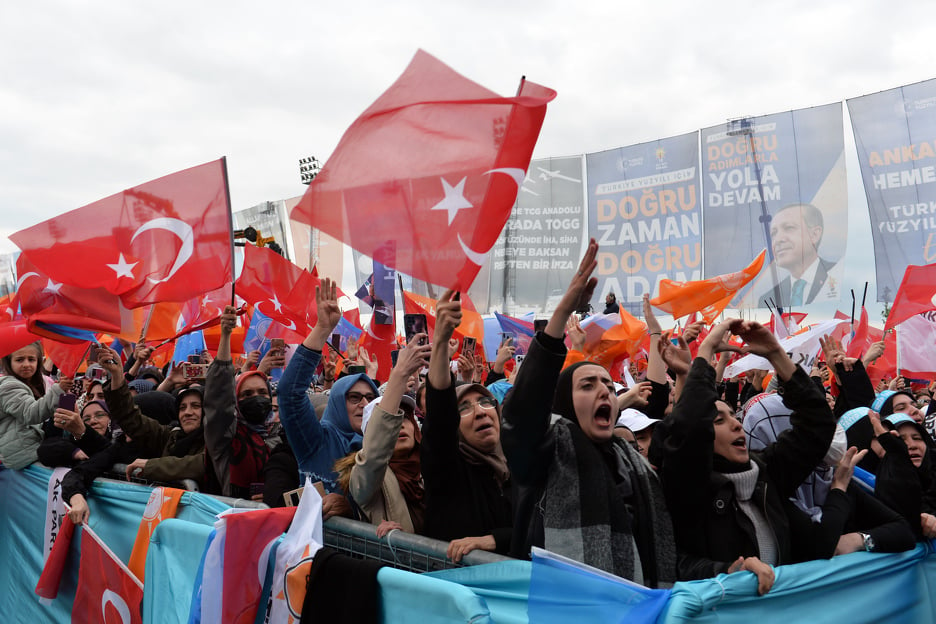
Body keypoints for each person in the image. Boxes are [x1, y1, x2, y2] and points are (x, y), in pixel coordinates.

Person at [501, 239, 677, 585]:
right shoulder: (545, 455)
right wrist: (561, 316)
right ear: (563, 404)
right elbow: (522, 415)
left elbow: (657, 403)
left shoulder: (632, 460)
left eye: (609, 387)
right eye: (587, 385)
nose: (604, 391)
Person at [661, 319, 835, 594]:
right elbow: (688, 426)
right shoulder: (688, 484)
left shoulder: (767, 474)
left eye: (734, 415)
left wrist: (776, 354)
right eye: (718, 420)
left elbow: (818, 425)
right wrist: (729, 573)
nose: (736, 424)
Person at [423, 290, 514, 563]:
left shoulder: (519, 467)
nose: (479, 412)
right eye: (463, 407)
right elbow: (439, 418)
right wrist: (439, 343)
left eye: (486, 403)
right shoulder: (448, 470)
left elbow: (539, 528)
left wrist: (494, 539)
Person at [278, 278, 379, 519]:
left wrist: (351, 510)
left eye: (369, 398)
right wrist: (322, 329)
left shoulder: (383, 446)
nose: (364, 404)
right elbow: (289, 394)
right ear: (335, 402)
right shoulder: (317, 441)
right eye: (354, 398)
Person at [334, 335, 430, 535]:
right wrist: (399, 374)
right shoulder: (365, 477)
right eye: (392, 421)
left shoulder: (431, 467)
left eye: (405, 418)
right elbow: (374, 455)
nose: (400, 426)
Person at [97, 348, 209, 485]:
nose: (188, 412)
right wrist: (117, 375)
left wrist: (151, 466)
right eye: (182, 407)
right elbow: (131, 418)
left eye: (196, 406)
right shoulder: (170, 436)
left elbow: (199, 463)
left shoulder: (215, 440)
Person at [204, 305, 273, 499]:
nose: (256, 398)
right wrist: (225, 336)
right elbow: (218, 398)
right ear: (236, 401)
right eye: (247, 394)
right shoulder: (225, 437)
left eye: (262, 392)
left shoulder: (282, 437)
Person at [0, 342, 72, 469]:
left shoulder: (30, 383)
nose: (26, 364)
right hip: (24, 456)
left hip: (28, 451)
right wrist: (58, 389)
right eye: (19, 359)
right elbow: (31, 413)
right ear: (9, 362)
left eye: (31, 359)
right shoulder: (9, 386)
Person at [758, 203, 840, 307]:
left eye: (788, 228)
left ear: (814, 234)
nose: (778, 240)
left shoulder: (841, 277)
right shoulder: (768, 300)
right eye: (774, 234)